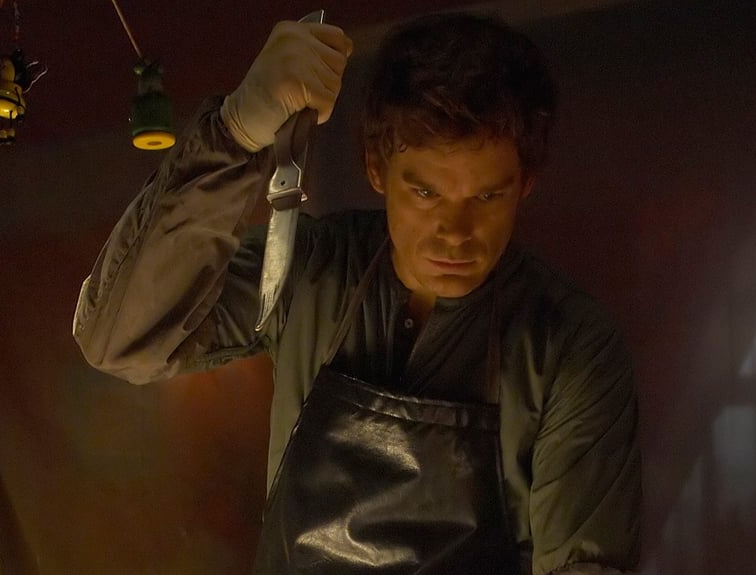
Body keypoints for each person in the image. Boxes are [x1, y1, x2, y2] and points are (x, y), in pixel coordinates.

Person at [73, 10, 641, 575]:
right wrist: (233, 133)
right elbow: (120, 341)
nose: (455, 232)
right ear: (376, 169)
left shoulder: (571, 348)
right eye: (425, 193)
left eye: (487, 197)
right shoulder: (309, 268)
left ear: (526, 184)